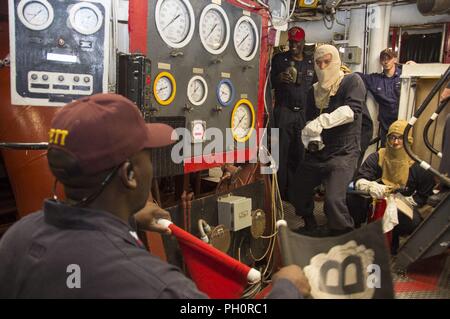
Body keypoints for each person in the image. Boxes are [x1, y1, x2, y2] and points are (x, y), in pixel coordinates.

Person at [0, 93, 310, 299]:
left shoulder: (17, 237)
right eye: (147, 155)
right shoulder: (154, 285)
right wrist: (285, 288)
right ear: (130, 174)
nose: (152, 165)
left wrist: (126, 217)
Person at [290, 44, 366, 237]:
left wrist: (322, 121)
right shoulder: (313, 91)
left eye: (327, 61)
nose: (323, 66)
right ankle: (310, 224)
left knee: (333, 201)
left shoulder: (351, 81)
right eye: (318, 62)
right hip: (319, 152)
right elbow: (309, 121)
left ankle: (344, 236)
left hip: (343, 153)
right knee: (297, 190)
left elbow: (350, 111)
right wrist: (312, 138)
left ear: (336, 61)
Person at [351, 120, 435, 254]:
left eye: (400, 138)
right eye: (392, 137)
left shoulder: (417, 166)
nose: (395, 142)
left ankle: (393, 239)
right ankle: (355, 234)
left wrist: (405, 201)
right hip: (375, 202)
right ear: (387, 138)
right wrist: (370, 186)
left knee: (413, 222)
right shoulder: (377, 157)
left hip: (402, 208)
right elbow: (360, 179)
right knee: (351, 199)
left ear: (409, 141)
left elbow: (425, 195)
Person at [270, 26, 316, 199]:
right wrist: (278, 79)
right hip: (283, 112)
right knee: (279, 155)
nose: (293, 45)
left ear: (303, 42)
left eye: (296, 42)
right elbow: (268, 84)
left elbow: (317, 89)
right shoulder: (279, 60)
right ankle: (278, 196)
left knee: (300, 155)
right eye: (291, 42)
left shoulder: (311, 62)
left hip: (303, 115)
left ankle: (294, 195)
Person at [357, 48, 406, 146]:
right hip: (386, 127)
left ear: (395, 59)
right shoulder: (375, 80)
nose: (386, 61)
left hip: (403, 125)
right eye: (383, 59)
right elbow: (357, 76)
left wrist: (413, 66)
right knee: (384, 152)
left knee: (402, 153)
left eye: (389, 58)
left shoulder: (405, 76)